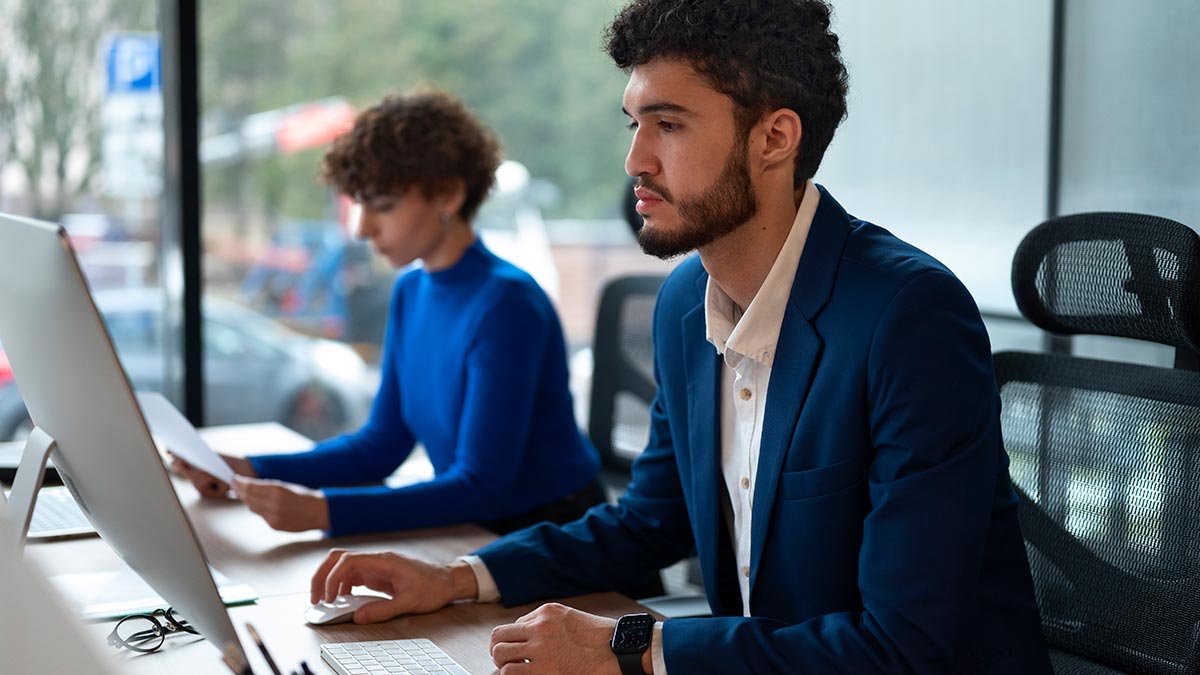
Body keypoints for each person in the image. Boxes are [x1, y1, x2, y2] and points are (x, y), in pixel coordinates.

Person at [306, 2, 1054, 673]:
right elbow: (648, 518)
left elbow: (903, 645)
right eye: (635, 124)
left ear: (775, 137)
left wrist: (634, 647)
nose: (635, 160)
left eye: (669, 124)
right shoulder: (684, 303)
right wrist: (458, 576)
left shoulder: (907, 317)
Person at [173, 89, 602, 538]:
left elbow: (481, 486)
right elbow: (383, 444)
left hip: (555, 536)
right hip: (477, 529)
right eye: (360, 205)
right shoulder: (411, 290)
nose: (362, 228)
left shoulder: (508, 305)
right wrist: (245, 468)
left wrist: (323, 511)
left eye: (382, 206)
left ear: (449, 194)